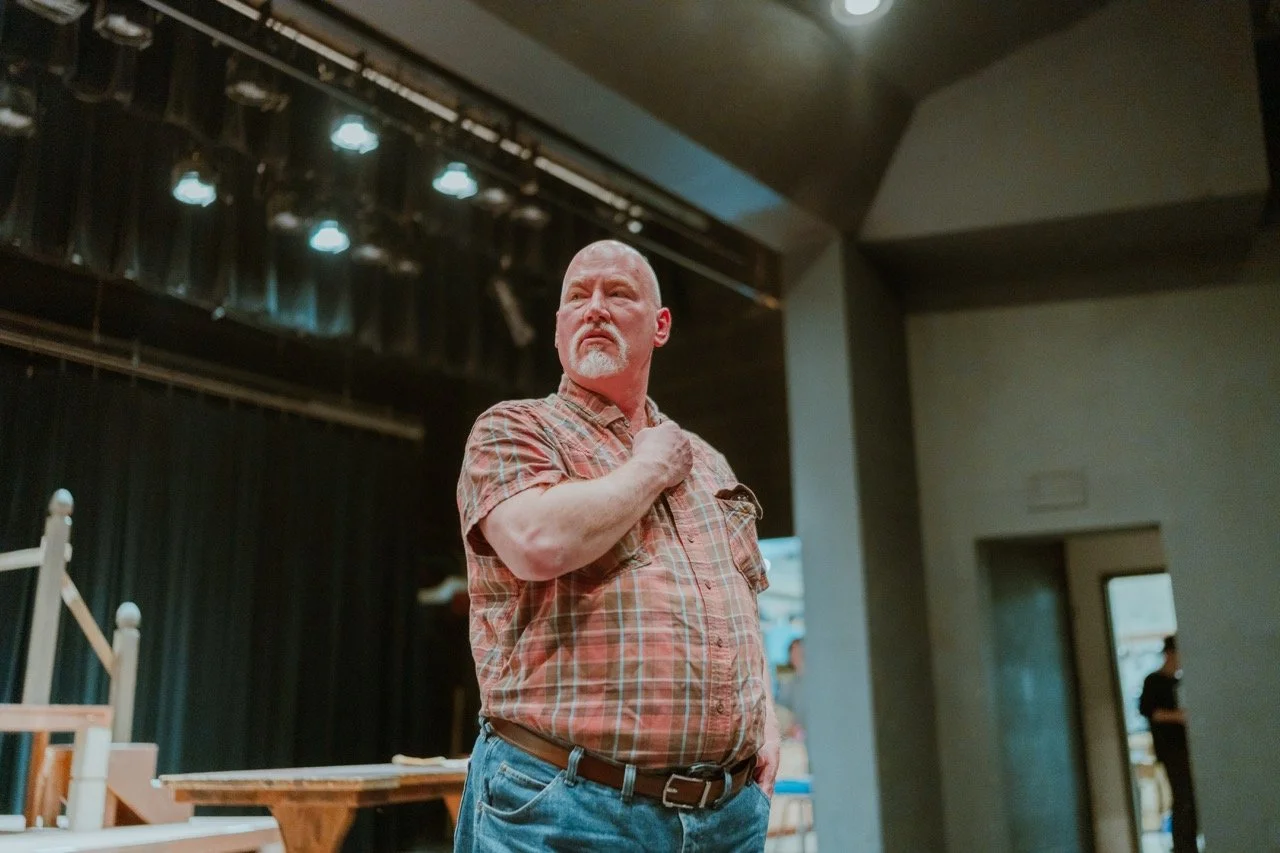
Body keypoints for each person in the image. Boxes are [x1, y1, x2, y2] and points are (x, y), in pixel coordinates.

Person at [454, 239, 780, 851]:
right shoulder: (516, 428)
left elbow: (743, 600)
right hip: (568, 808)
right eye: (577, 296)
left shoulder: (708, 463)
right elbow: (536, 541)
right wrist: (648, 467)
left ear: (660, 326)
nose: (594, 308)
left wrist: (763, 717)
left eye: (618, 294)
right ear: (557, 329)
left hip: (725, 818)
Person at [1139, 635, 1198, 853]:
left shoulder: (1178, 683)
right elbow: (1151, 712)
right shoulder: (1154, 681)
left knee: (1189, 799)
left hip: (1185, 750)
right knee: (1183, 798)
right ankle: (1184, 847)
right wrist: (1179, 716)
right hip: (1172, 750)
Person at [775, 637, 807, 740]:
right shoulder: (786, 679)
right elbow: (782, 704)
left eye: (799, 652)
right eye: (793, 652)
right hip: (794, 732)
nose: (795, 656)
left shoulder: (814, 680)